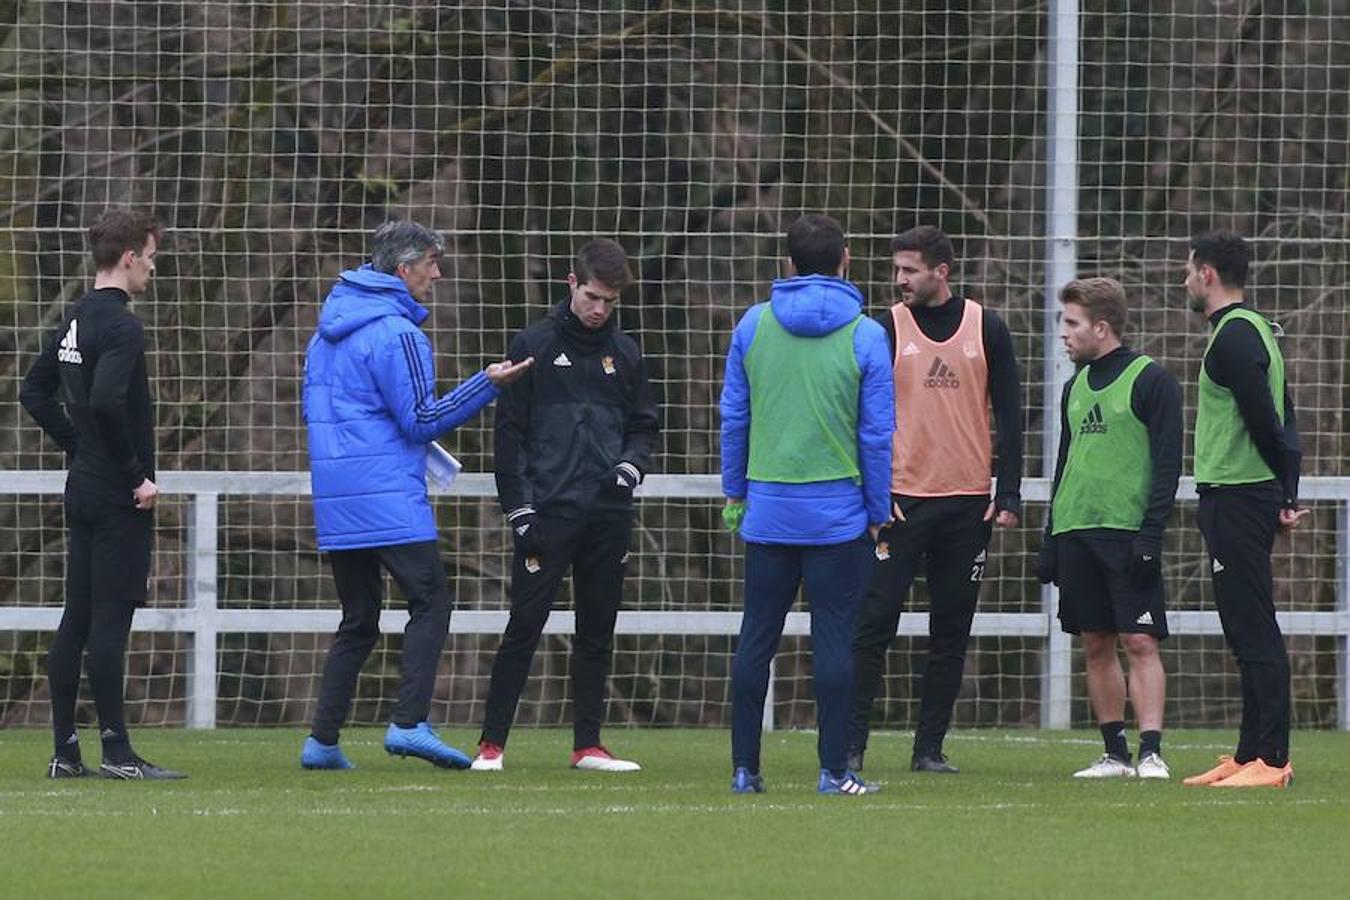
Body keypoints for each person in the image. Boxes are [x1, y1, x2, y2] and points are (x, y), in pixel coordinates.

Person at [300, 220, 531, 770]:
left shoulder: (325, 331)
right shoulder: (399, 334)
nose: (438, 274)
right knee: (432, 601)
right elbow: (420, 420)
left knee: (359, 617)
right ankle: (409, 723)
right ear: (403, 270)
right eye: (431, 263)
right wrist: (488, 384)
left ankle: (322, 741)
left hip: (336, 494)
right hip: (385, 493)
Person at [471, 238, 659, 773]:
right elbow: (509, 436)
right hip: (547, 513)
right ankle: (491, 746)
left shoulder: (626, 353)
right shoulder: (533, 343)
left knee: (596, 632)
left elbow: (644, 427)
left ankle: (587, 746)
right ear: (572, 284)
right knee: (524, 627)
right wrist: (519, 510)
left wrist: (629, 468)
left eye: (610, 301)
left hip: (608, 516)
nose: (599, 309)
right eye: (593, 296)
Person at [721, 214, 894, 795]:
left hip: (769, 509)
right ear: (846, 259)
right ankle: (834, 771)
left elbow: (735, 416)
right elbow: (876, 435)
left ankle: (745, 769)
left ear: (788, 264)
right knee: (835, 644)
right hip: (839, 515)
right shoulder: (866, 334)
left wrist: (736, 489)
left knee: (756, 641)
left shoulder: (753, 324)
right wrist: (877, 510)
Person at [847, 225, 1023, 774]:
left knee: (950, 632)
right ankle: (851, 745)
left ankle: (928, 749)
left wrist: (1008, 489)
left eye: (910, 270)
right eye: (896, 269)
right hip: (901, 502)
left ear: (940, 272)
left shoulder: (986, 326)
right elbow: (861, 414)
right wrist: (874, 491)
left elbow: (1011, 413)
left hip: (967, 503)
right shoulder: (886, 328)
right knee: (873, 624)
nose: (899, 279)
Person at [19, 208, 185, 780]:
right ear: (130, 257)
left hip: (83, 485)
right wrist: (135, 475)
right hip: (115, 494)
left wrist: (79, 447)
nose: (154, 268)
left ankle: (66, 752)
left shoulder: (75, 317)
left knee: (78, 617)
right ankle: (117, 753)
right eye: (151, 257)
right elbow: (106, 403)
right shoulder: (122, 327)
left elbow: (34, 392)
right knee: (110, 621)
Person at [1036, 277, 1182, 780]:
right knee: (1094, 642)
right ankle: (1115, 753)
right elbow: (1065, 465)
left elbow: (1167, 466)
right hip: (1076, 531)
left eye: (1072, 323)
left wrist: (1151, 535)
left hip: (1126, 533)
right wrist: (1050, 538)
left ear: (1101, 328)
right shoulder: (1073, 388)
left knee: (1140, 641)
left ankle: (1151, 752)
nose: (1063, 333)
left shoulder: (1152, 380)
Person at [1180, 231, 1304, 789]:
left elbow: (1266, 421)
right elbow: (1287, 418)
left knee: (1253, 628)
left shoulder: (1234, 336)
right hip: (1241, 496)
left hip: (1238, 496)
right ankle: (1248, 752)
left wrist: (1281, 491)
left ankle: (1273, 759)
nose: (1185, 280)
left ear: (1207, 274)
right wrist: (1287, 492)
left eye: (1189, 270)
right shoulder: (1253, 331)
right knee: (1241, 627)